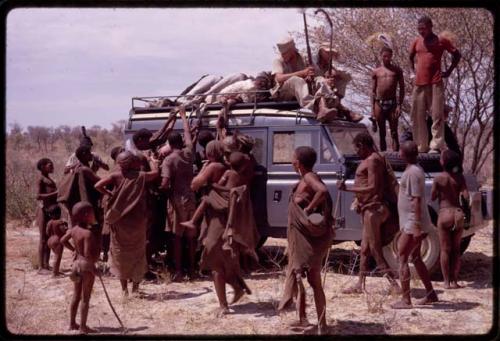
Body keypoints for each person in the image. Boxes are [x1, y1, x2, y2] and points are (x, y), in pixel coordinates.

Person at [277, 146, 333, 335]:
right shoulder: (304, 178)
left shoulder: (309, 177)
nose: (291, 162)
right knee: (300, 276)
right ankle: (302, 318)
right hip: (301, 239)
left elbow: (322, 191)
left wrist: (308, 209)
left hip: (309, 240)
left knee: (314, 280)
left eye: (293, 159)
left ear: (298, 162)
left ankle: (322, 324)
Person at [337, 133, 400, 294]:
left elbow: (372, 187)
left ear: (362, 145)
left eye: (356, 148)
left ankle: (394, 285)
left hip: (374, 210)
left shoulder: (373, 160)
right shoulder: (374, 159)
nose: (356, 152)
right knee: (364, 249)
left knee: (374, 249)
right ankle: (360, 284)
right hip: (368, 208)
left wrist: (348, 189)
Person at [95, 150, 160, 296]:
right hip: (137, 221)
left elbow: (98, 185)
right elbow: (156, 173)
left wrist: (110, 193)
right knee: (138, 253)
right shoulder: (141, 176)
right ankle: (135, 289)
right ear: (133, 163)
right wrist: (153, 161)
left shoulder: (115, 176)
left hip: (119, 221)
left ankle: (124, 290)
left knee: (120, 254)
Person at [391, 141, 439, 309]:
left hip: (413, 223)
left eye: (400, 152)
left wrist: (416, 226)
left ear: (404, 154)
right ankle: (431, 294)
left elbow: (416, 200)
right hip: (412, 222)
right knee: (416, 258)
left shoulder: (412, 172)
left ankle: (406, 300)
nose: (398, 154)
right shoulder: (414, 170)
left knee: (402, 257)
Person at [409, 15, 461, 154]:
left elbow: (457, 55)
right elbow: (410, 57)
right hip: (419, 83)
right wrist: (412, 72)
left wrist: (449, 71)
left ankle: (436, 145)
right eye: (419, 29)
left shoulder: (441, 41)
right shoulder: (416, 41)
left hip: (435, 81)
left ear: (430, 26)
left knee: (437, 114)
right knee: (417, 115)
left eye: (423, 29)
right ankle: (421, 146)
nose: (421, 32)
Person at [160, 106, 198, 281]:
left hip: (176, 201)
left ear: (169, 144)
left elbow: (165, 182)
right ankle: (191, 269)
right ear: (180, 142)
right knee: (190, 237)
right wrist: (183, 117)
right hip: (191, 198)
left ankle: (178, 271)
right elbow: (188, 135)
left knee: (177, 237)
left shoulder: (169, 160)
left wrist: (160, 188)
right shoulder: (188, 153)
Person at [270, 36, 338, 119]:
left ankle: (325, 103)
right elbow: (279, 78)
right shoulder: (278, 61)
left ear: (292, 50)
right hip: (282, 92)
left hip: (300, 89)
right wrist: (302, 73)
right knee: (296, 79)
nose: (282, 55)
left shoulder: (302, 59)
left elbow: (310, 75)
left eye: (285, 53)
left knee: (319, 79)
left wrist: (313, 77)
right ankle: (314, 106)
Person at [60, 201, 101, 334]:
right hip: (85, 267)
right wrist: (95, 269)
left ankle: (72, 323)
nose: (93, 215)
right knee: (85, 298)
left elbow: (62, 240)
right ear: (85, 215)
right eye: (91, 213)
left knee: (76, 296)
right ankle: (83, 327)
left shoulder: (73, 230)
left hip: (75, 265)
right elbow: (88, 255)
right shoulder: (87, 234)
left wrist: (74, 250)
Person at [431, 150, 468, 289]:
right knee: (456, 250)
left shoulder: (438, 178)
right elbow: (466, 196)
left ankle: (446, 282)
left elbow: (433, 197)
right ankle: (455, 281)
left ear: (443, 162)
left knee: (445, 250)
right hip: (457, 213)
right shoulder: (460, 178)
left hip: (444, 213)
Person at [314, 42, 364, 122]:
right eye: (327, 52)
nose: (330, 55)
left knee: (341, 80)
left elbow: (348, 76)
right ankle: (344, 110)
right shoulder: (312, 61)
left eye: (331, 53)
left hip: (328, 93)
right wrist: (324, 80)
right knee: (320, 80)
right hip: (314, 90)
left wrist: (336, 72)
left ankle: (337, 104)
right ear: (320, 52)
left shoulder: (330, 65)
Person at [371, 46, 405, 151]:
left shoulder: (397, 70)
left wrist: (399, 105)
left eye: (389, 56)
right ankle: (383, 156)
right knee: (382, 132)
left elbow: (402, 88)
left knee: (394, 132)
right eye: (384, 56)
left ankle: (395, 156)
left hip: (392, 104)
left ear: (391, 57)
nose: (386, 58)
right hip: (379, 103)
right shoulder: (376, 71)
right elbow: (372, 91)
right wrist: (372, 110)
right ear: (381, 56)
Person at [101, 146, 124, 263]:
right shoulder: (117, 170)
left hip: (114, 203)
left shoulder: (119, 169)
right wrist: (110, 194)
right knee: (111, 231)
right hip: (113, 204)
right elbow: (103, 186)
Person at [35, 158, 58, 271]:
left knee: (49, 238)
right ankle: (40, 267)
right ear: (43, 166)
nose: (52, 166)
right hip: (43, 211)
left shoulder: (49, 179)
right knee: (43, 239)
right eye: (50, 165)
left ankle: (46, 264)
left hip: (51, 211)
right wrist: (55, 194)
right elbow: (38, 196)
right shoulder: (41, 179)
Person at [46, 204, 74, 277]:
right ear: (59, 213)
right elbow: (63, 231)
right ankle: (55, 273)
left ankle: (56, 271)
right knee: (57, 256)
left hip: (50, 240)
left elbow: (47, 232)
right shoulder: (59, 222)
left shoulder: (49, 222)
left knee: (56, 255)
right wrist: (66, 228)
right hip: (57, 240)